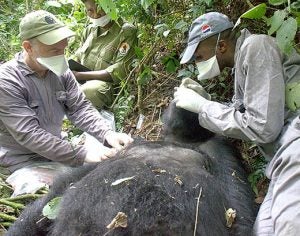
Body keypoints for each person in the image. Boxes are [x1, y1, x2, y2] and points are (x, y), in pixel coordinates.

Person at [174, 12, 300, 235]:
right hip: (283, 158)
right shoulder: (242, 62)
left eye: (199, 56)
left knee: (288, 228)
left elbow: (263, 127)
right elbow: (244, 115)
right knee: (262, 230)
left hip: (295, 145)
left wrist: (203, 107)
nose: (197, 64)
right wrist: (205, 101)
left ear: (221, 46)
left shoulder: (256, 47)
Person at [0, 10, 133, 196]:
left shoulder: (59, 69)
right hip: (22, 161)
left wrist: (107, 134)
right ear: (28, 47)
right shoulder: (7, 80)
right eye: (54, 50)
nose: (61, 55)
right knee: (63, 195)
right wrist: (82, 154)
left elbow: (79, 108)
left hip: (57, 153)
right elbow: (29, 134)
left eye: (63, 49)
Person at [72, 0, 138, 109]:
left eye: (100, 10)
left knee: (88, 92)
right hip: (81, 80)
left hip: (107, 86)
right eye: (90, 10)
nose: (96, 15)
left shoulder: (126, 32)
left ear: (110, 6)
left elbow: (120, 69)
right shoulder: (89, 30)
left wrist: (80, 75)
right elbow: (78, 55)